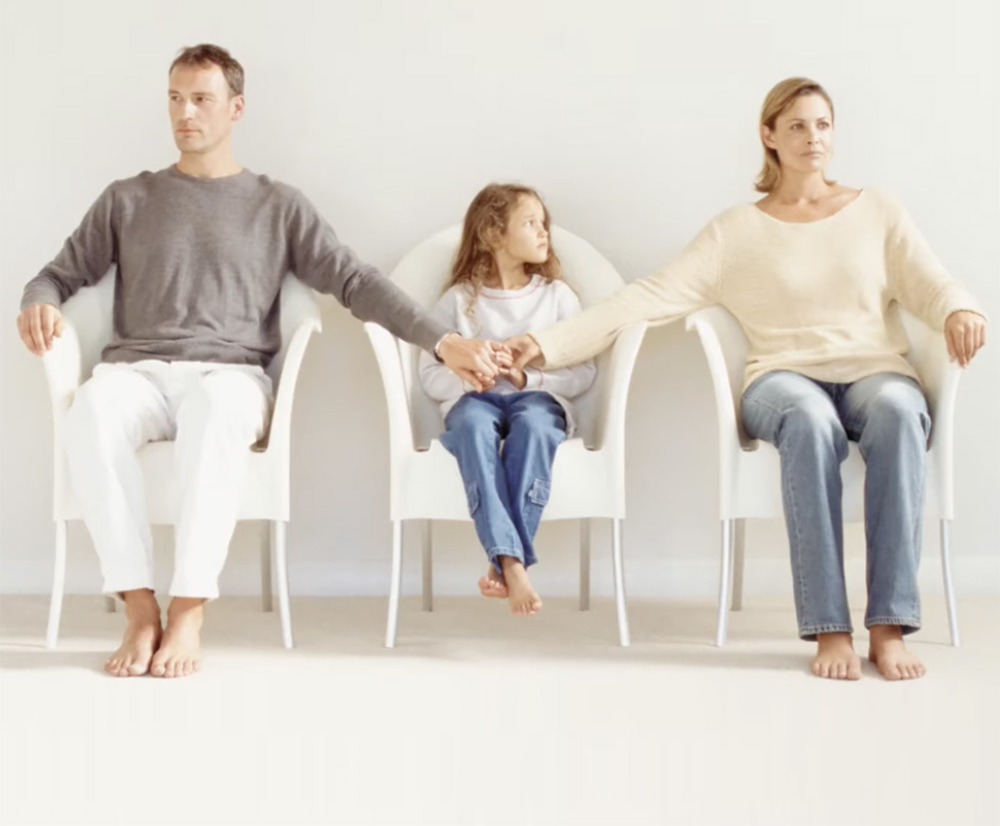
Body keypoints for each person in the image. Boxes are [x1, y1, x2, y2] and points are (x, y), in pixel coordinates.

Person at [17, 44, 503, 678]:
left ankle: (188, 609)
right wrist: (38, 301)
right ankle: (139, 608)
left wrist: (443, 341)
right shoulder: (127, 198)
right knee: (90, 411)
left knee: (215, 410)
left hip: (231, 376)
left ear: (236, 108)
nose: (185, 113)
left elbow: (355, 281)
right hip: (137, 373)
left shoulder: (278, 205)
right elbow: (56, 274)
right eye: (175, 99)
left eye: (201, 99)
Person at [507, 77, 986, 680]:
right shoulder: (735, 231)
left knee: (898, 409)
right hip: (781, 381)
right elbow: (647, 297)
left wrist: (960, 308)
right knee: (809, 421)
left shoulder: (878, 211)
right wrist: (543, 344)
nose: (813, 138)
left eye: (822, 125)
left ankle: (888, 628)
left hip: (873, 371)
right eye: (797, 126)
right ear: (769, 136)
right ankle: (829, 630)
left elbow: (931, 282)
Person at [419, 184, 596, 615]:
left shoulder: (557, 297)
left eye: (543, 223)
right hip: (475, 402)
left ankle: (505, 561)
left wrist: (526, 376)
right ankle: (512, 564)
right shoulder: (459, 300)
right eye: (530, 223)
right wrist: (473, 378)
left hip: (537, 398)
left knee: (535, 426)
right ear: (493, 234)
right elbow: (429, 375)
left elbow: (584, 371)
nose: (544, 232)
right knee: (472, 427)